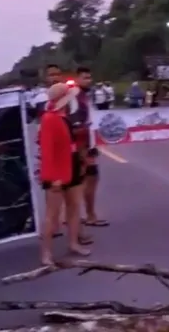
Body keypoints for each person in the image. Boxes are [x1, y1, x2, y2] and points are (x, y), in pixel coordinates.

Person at [39, 82, 92, 265]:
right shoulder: (49, 118)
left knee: (74, 206)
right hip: (57, 172)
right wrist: (52, 178)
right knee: (52, 214)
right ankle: (46, 253)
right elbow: (47, 152)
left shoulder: (65, 117)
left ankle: (73, 243)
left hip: (72, 166)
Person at [74, 67, 109, 227]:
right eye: (85, 78)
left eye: (89, 77)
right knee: (89, 179)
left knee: (88, 180)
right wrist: (83, 148)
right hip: (83, 145)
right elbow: (76, 125)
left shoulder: (85, 96)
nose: (88, 80)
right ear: (77, 79)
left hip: (88, 142)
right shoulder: (76, 98)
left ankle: (86, 215)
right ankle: (89, 215)